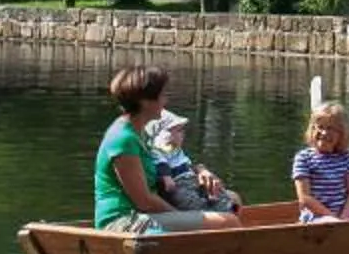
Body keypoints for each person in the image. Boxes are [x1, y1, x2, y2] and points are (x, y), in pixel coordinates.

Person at [95, 66, 241, 234]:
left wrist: (199, 170)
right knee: (227, 222)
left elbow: (166, 160)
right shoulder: (122, 139)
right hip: (123, 222)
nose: (166, 101)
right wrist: (185, 219)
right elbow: (144, 201)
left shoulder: (142, 132)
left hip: (145, 214)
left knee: (233, 199)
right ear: (145, 101)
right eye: (162, 95)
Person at [148, 108, 241, 214]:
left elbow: (187, 165)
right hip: (179, 184)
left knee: (229, 196)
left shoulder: (175, 150)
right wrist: (167, 178)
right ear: (164, 135)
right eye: (178, 130)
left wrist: (201, 170)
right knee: (188, 199)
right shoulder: (157, 150)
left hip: (191, 181)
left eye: (182, 130)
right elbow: (161, 164)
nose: (183, 134)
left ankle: (224, 206)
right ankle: (216, 211)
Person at [291, 101, 349, 222]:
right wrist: (332, 217)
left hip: (344, 213)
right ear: (312, 129)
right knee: (332, 224)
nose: (324, 133)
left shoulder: (345, 157)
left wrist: (344, 216)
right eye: (320, 127)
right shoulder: (303, 158)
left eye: (331, 128)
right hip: (316, 217)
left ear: (341, 134)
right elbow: (305, 198)